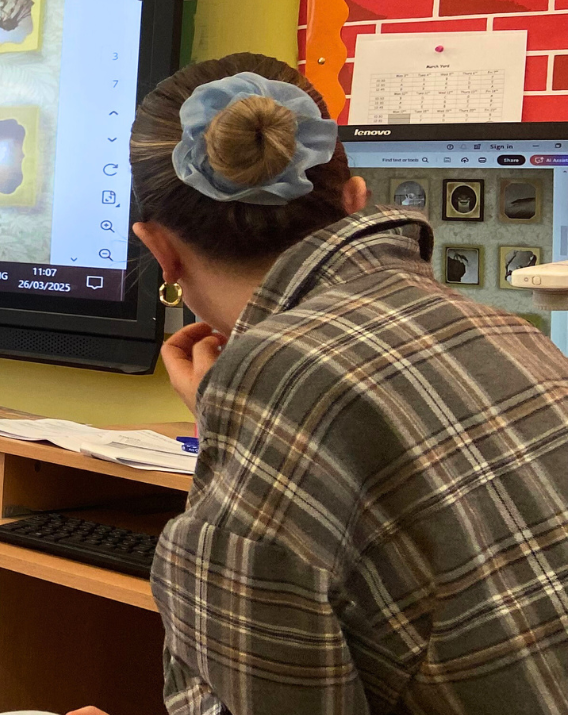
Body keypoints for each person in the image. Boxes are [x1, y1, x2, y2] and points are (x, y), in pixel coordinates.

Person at [68, 53, 568, 715]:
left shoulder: (272, 386)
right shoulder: (513, 333)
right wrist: (231, 418)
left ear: (160, 249)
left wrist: (238, 413)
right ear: (356, 202)